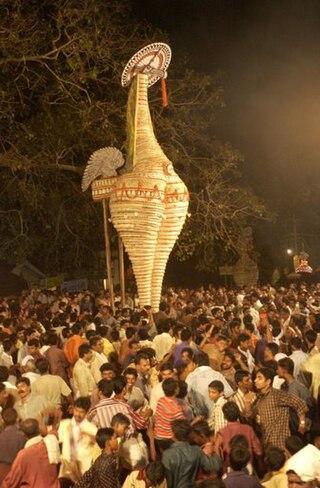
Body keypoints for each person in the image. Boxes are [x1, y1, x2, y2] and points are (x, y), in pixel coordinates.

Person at [254, 368, 308, 449]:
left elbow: (300, 403)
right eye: (256, 378)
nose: (255, 380)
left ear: (268, 381)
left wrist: (302, 423)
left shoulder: (277, 395)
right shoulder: (258, 399)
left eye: (259, 378)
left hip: (280, 445)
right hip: (267, 445)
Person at [162, 419, 221, 488]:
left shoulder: (167, 454)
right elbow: (216, 466)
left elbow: (168, 481)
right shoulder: (196, 451)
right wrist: (216, 446)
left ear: (174, 436)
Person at [2, 419, 60, 488]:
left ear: (23, 434)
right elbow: (53, 432)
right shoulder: (51, 442)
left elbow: (10, 482)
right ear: (39, 430)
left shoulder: (24, 455)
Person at [58, 397, 98, 486]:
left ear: (87, 412)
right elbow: (58, 442)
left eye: (81, 412)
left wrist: (89, 435)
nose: (78, 414)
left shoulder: (92, 429)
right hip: (66, 469)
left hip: (83, 471)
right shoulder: (64, 424)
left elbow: (98, 446)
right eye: (76, 411)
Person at [186, 353, 234, 418]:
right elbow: (229, 394)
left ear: (195, 364)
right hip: (218, 415)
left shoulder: (192, 376)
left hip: (200, 417)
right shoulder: (217, 374)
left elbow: (184, 396)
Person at [0, 408, 25, 484]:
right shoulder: (22, 437)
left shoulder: (1, 436)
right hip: (17, 472)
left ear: (2, 421)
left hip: (1, 473)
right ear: (17, 419)